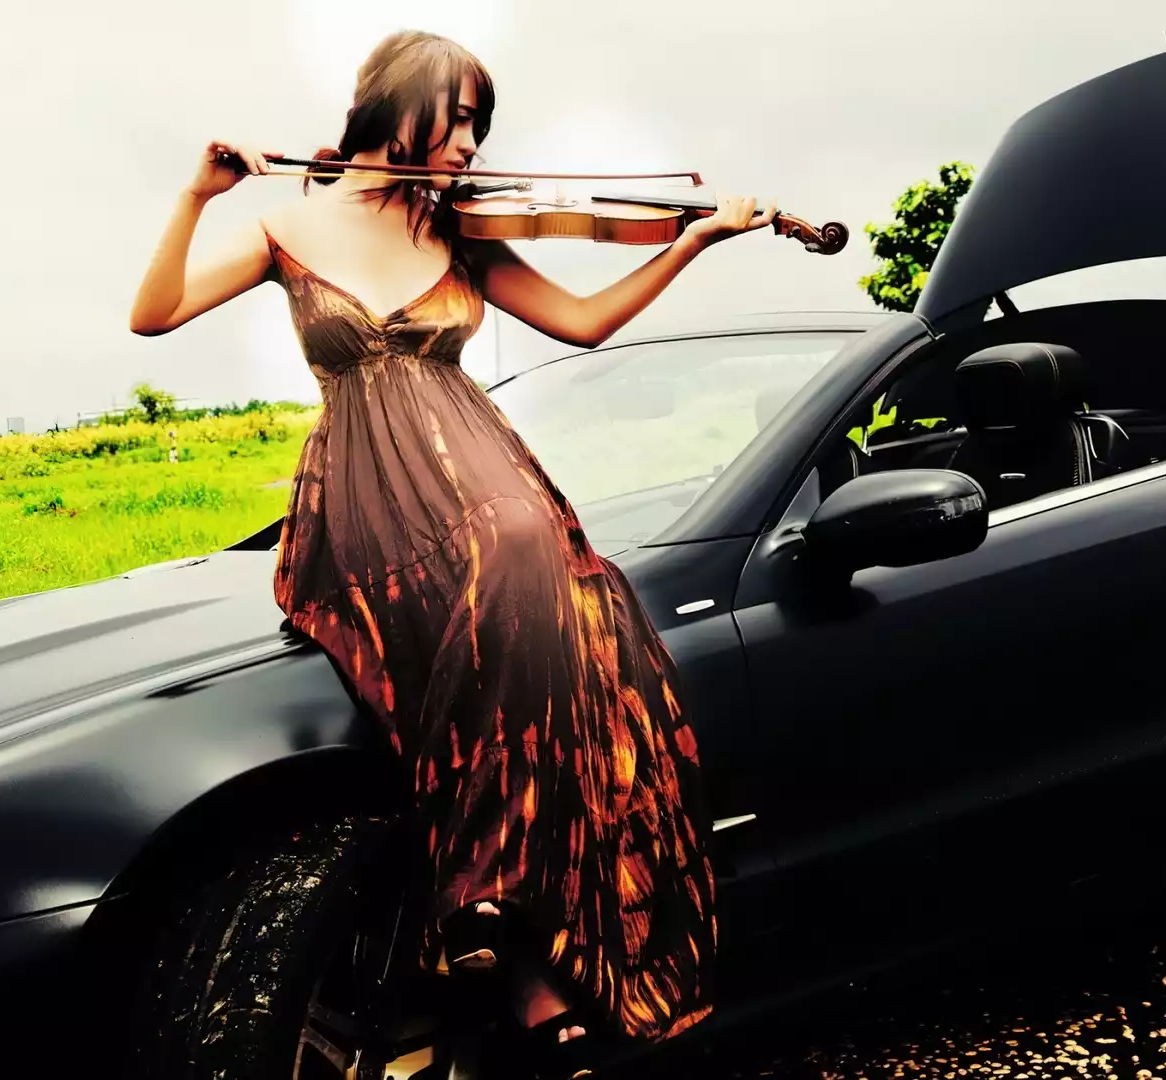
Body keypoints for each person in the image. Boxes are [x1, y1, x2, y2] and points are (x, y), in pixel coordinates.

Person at [129, 29, 778, 1078]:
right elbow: (151, 315)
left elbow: (581, 322)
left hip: (480, 469)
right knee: (512, 601)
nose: (473, 142)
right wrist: (196, 197)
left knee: (546, 631)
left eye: (482, 122)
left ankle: (505, 932)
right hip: (365, 487)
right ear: (397, 107)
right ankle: (498, 923)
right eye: (458, 117)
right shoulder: (286, 221)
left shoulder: (460, 231)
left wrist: (689, 243)